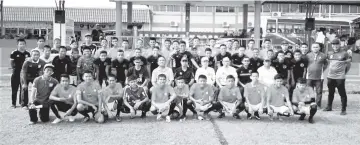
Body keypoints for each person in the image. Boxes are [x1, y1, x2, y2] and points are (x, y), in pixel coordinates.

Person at [323, 39, 351, 115]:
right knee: (330, 92)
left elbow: (348, 64)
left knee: (342, 93)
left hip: (340, 77)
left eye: (336, 44)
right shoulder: (329, 53)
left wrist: (344, 73)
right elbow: (328, 63)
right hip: (330, 76)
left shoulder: (344, 53)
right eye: (333, 44)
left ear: (339, 45)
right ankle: (329, 107)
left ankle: (343, 109)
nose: (335, 46)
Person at [305, 42, 328, 108]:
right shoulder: (308, 55)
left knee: (319, 92)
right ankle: (311, 104)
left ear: (319, 48)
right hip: (309, 76)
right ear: (311, 48)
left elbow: (326, 63)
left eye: (317, 47)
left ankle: (318, 105)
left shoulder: (323, 55)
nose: (315, 48)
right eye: (314, 47)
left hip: (319, 77)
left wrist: (322, 69)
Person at [10, 39, 31, 108]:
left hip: (24, 74)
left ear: (25, 45)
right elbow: (12, 63)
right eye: (20, 44)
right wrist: (14, 69)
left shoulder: (27, 54)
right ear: (17, 45)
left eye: (23, 44)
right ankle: (13, 104)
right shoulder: (14, 53)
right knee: (14, 89)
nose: (22, 45)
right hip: (16, 73)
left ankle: (23, 104)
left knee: (24, 88)